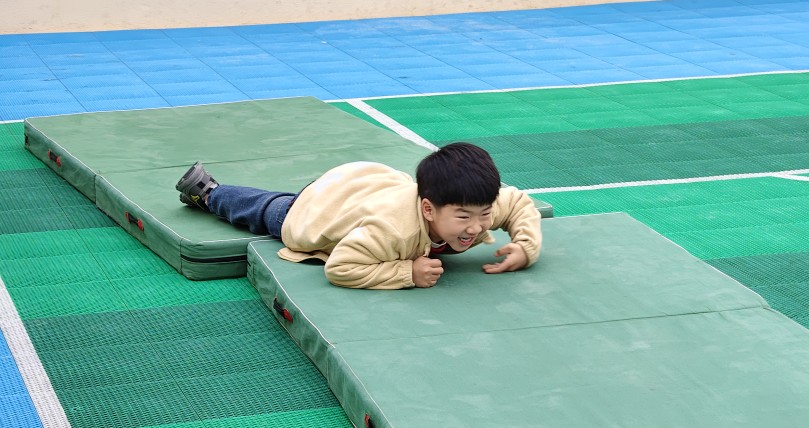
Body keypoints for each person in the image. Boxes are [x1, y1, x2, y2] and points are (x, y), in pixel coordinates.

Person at [175, 142, 542, 290]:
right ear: (428, 209)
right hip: (321, 209)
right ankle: (209, 192)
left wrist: (525, 246)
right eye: (464, 218)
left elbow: (518, 203)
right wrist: (406, 273)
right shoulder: (392, 231)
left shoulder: (474, 203)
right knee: (267, 209)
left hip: (366, 187)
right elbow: (340, 268)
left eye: (485, 214)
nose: (476, 227)